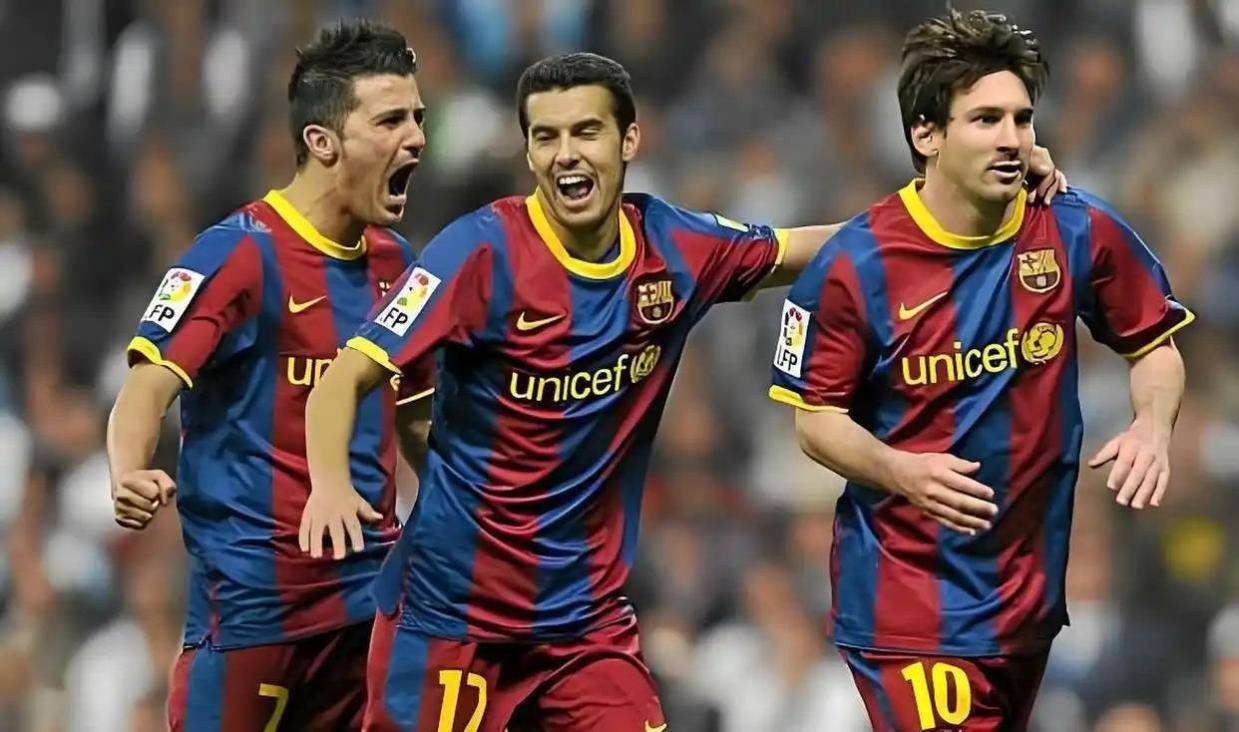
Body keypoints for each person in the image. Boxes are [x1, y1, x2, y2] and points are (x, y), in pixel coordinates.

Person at [300, 52, 1064, 731]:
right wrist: (330, 483)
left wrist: (965, 193)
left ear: (628, 140)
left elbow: (807, 247)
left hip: (582, 624)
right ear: (529, 152)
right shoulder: (479, 251)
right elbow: (346, 377)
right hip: (449, 615)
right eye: (546, 136)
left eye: (586, 132)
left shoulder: (674, 248)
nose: (566, 154)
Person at [768, 8, 1193, 731]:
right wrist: (901, 470)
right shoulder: (856, 264)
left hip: (1025, 601)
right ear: (925, 134)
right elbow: (815, 421)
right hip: (909, 601)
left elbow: (1154, 344)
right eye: (985, 119)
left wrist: (1152, 426)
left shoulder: (1072, 228)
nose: (1011, 137)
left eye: (1021, 119)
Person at [106, 20, 433, 730]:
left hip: (367, 612)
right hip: (253, 619)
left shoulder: (398, 264)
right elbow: (147, 386)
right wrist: (129, 469)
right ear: (322, 141)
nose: (415, 138)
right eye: (389, 121)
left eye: (417, 117)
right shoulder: (238, 254)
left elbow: (416, 412)